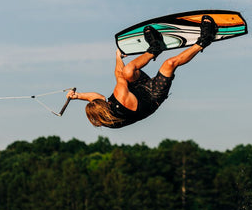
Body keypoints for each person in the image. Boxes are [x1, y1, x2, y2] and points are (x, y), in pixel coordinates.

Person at [68, 15, 218, 128]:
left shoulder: (104, 117)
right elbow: (119, 76)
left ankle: (155, 48)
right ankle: (204, 40)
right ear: (105, 109)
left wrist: (78, 96)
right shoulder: (120, 98)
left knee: (129, 72)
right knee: (169, 64)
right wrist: (118, 57)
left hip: (137, 92)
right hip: (153, 96)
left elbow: (94, 98)